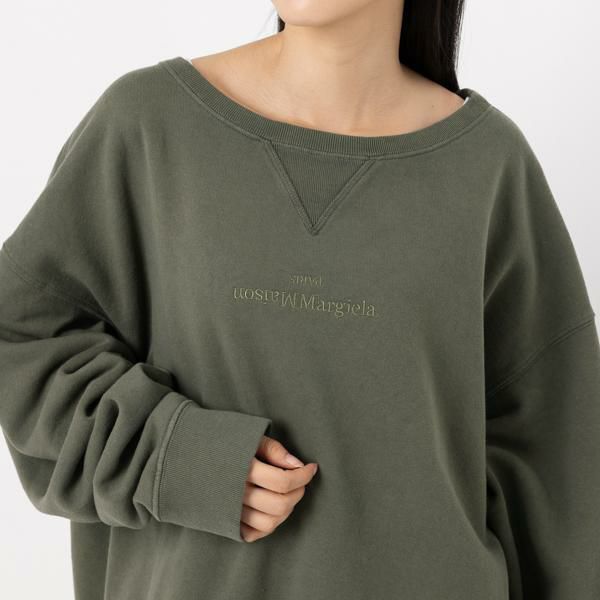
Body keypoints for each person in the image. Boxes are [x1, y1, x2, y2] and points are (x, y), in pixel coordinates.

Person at [1, 1, 599, 599]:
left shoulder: (489, 166)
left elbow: (561, 472)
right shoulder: (149, 124)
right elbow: (20, 336)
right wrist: (180, 459)